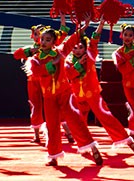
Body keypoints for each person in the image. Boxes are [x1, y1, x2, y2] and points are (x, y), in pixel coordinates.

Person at [14, 22, 104, 166]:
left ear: (54, 42)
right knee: (52, 125)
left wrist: (86, 25)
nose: (43, 42)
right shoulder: (36, 58)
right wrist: (47, 60)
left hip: (64, 93)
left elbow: (74, 38)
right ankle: (54, 156)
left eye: (47, 40)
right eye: (42, 39)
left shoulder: (61, 51)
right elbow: (28, 65)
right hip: (49, 97)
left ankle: (92, 148)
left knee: (75, 120)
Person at [64, 23, 134, 155]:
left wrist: (101, 23)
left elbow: (95, 39)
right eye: (75, 48)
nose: (77, 50)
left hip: (93, 94)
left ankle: (127, 140)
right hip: (77, 95)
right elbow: (69, 75)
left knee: (106, 116)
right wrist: (78, 65)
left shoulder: (90, 55)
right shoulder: (68, 61)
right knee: (79, 122)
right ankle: (86, 146)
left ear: (85, 48)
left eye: (81, 47)